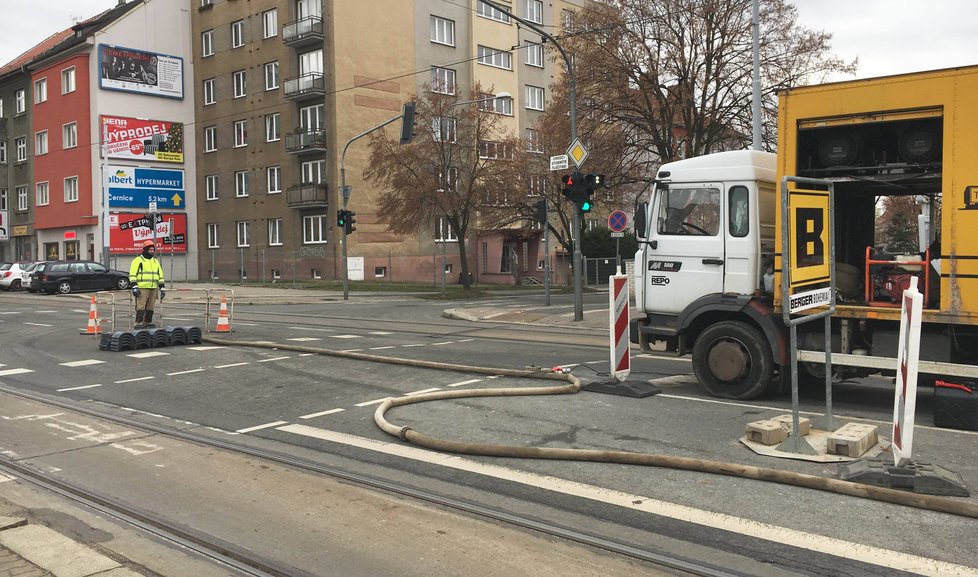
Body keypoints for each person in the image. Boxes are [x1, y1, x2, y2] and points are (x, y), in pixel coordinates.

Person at [129, 240, 166, 328]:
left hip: (153, 288)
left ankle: (148, 323)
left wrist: (162, 288)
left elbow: (160, 276)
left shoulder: (155, 262)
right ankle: (139, 323)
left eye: (153, 250)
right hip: (142, 288)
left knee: (150, 307)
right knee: (141, 306)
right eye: (150, 250)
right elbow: (133, 274)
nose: (152, 252)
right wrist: (134, 286)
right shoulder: (138, 260)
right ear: (145, 250)